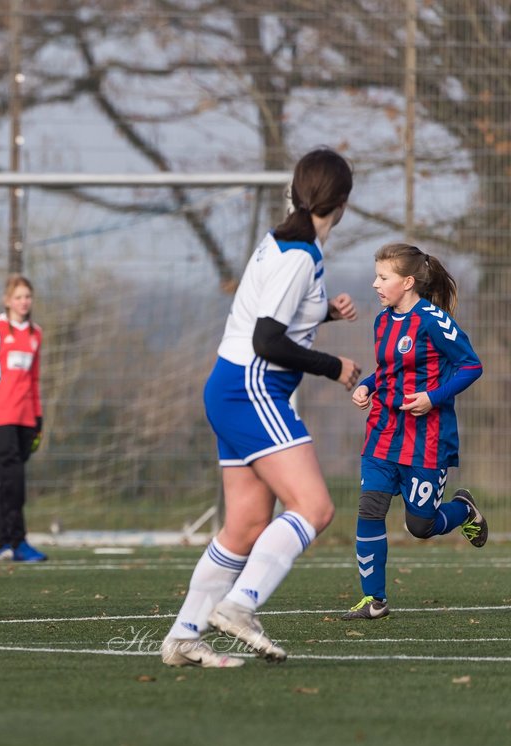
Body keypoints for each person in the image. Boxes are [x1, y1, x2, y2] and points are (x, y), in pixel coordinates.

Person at [160, 147, 361, 668]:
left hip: (229, 386)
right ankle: (240, 605)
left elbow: (270, 316)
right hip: (254, 386)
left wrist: (326, 316)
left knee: (246, 526)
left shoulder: (280, 242)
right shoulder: (300, 256)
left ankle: (184, 636)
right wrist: (332, 365)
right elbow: (269, 339)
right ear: (340, 203)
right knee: (315, 508)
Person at [343, 244, 486, 620]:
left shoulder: (432, 320)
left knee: (421, 525)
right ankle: (374, 600)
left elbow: (471, 367)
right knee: (369, 509)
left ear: (407, 282)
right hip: (383, 433)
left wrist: (432, 397)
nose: (375, 283)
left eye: (383, 277)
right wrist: (369, 386)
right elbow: (389, 369)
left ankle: (464, 510)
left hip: (427, 440)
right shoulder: (382, 321)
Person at [0, 274, 45, 562]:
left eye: (27, 297)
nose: (23, 302)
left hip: (26, 420)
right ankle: (18, 542)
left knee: (9, 483)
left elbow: (33, 380)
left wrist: (38, 417)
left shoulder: (35, 334)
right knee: (14, 482)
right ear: (7, 300)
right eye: (18, 297)